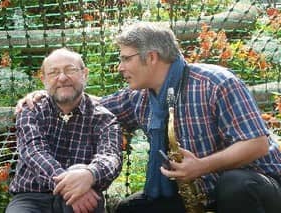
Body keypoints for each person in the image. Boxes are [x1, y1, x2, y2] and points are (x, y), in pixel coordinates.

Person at [16, 22, 281, 213]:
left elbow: (256, 144)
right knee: (131, 210)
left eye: (125, 59)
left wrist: (202, 166)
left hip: (256, 186)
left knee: (235, 186)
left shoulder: (216, 82)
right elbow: (86, 106)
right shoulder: (139, 97)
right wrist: (51, 89)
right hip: (197, 197)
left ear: (151, 57)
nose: (120, 67)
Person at [6, 48, 123, 213]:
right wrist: (70, 186)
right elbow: (33, 152)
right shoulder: (31, 110)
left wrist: (90, 174)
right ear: (43, 79)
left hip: (84, 193)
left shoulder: (104, 118)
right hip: (32, 197)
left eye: (70, 70)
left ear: (85, 73)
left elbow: (111, 157)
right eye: (53, 72)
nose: (62, 78)